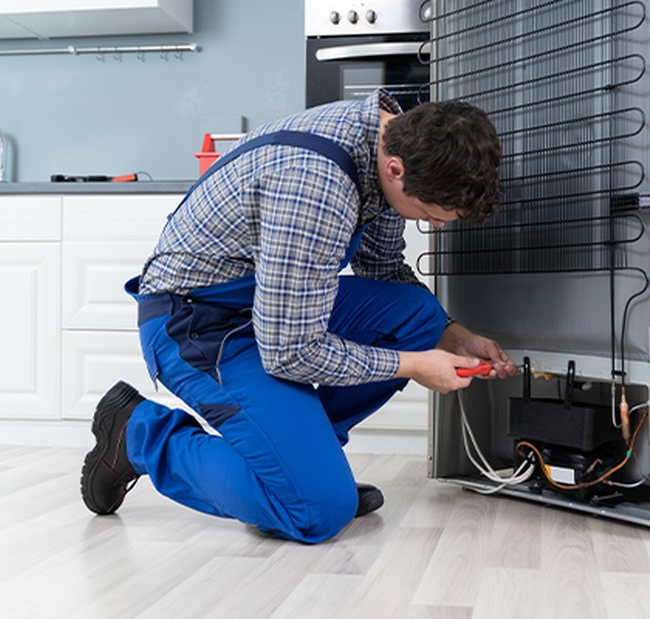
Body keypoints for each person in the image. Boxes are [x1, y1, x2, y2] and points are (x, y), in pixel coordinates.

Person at [80, 89, 517, 544]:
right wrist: (415, 365)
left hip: (269, 311)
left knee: (417, 319)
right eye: (429, 216)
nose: (437, 226)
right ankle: (140, 436)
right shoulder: (316, 187)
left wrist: (450, 334)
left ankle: (299, 461)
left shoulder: (391, 139)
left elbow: (383, 270)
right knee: (317, 510)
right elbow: (290, 352)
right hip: (198, 322)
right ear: (396, 171)